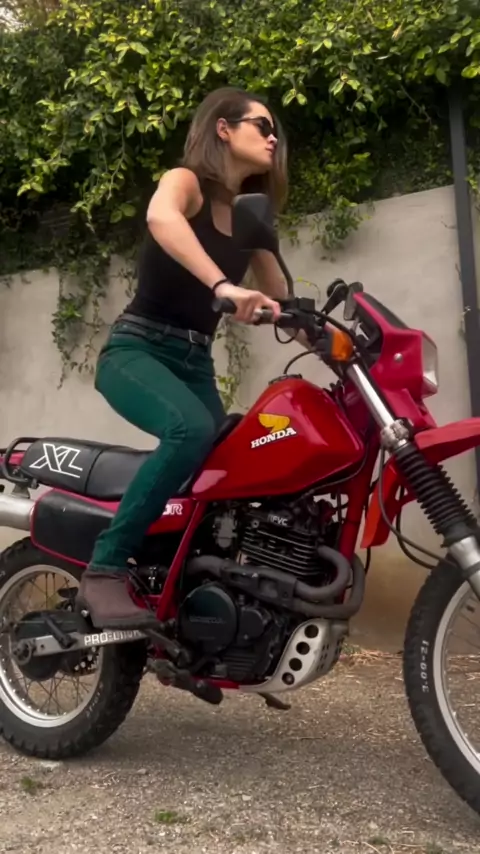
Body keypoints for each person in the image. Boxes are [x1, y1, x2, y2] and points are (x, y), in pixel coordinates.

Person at [78, 86, 292, 629]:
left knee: (228, 462)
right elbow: (161, 219)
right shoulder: (185, 182)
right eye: (262, 126)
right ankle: (104, 568)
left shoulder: (248, 214)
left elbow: (281, 299)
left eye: (275, 131)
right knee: (190, 430)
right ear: (224, 128)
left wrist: (331, 331)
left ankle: (188, 587)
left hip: (195, 361)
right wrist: (223, 285)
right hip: (136, 349)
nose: (273, 138)